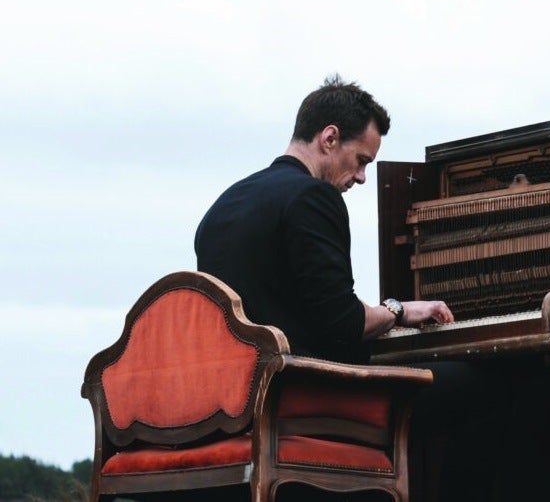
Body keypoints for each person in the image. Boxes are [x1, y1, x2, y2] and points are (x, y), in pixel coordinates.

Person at [195, 74, 510, 500]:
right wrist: (399, 310)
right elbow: (342, 325)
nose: (362, 177)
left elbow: (295, 303)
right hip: (309, 403)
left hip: (239, 405)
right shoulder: (312, 197)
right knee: (484, 387)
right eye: (360, 160)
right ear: (329, 138)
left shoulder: (225, 204)